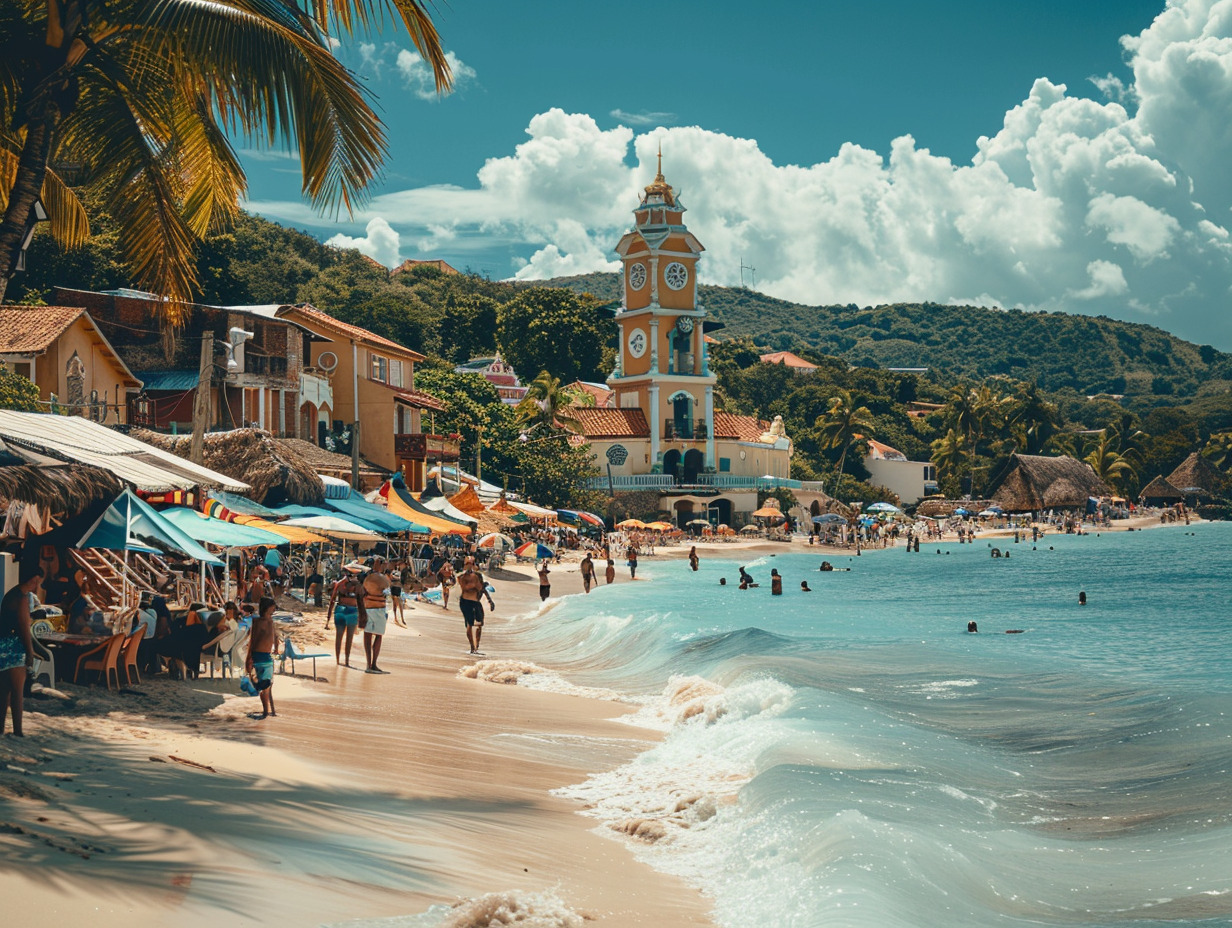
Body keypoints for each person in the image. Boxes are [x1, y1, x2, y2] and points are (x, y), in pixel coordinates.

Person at [1, 565, 42, 736]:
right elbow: (24, 627)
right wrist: (30, 652)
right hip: (14, 646)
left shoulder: (10, 594)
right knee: (17, 692)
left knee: (3, 692)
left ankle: (1, 729)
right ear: (34, 580)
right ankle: (18, 730)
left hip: (2, 643)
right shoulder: (23, 598)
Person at [326, 561, 367, 667]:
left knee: (338, 637)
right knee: (349, 638)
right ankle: (347, 661)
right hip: (352, 611)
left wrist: (328, 619)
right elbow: (361, 603)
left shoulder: (339, 584)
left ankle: (338, 660)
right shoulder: (358, 586)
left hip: (339, 610)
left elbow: (332, 600)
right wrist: (363, 617)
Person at [246, 596, 278, 719]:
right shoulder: (258, 622)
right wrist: (249, 658)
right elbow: (252, 640)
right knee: (264, 686)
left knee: (267, 686)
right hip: (258, 656)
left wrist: (276, 647)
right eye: (272, 606)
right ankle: (266, 712)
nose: (274, 608)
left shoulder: (271, 622)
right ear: (267, 608)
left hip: (267, 657)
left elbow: (274, 636)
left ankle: (268, 710)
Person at [458, 556, 495, 654]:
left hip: (476, 602)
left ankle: (476, 646)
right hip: (465, 602)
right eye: (467, 564)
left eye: (472, 564)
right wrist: (474, 584)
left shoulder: (478, 576)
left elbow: (482, 589)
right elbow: (465, 588)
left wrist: (490, 601)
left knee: (479, 624)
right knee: (469, 624)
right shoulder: (461, 576)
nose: (470, 566)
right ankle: (472, 648)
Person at [362, 558, 392, 673]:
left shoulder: (367, 578)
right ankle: (373, 664)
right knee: (378, 635)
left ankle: (369, 664)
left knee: (368, 635)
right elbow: (386, 592)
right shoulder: (382, 579)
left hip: (368, 607)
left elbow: (363, 592)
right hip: (379, 609)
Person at [388, 560, 407, 628]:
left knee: (399, 602)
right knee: (395, 604)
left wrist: (394, 577)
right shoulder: (395, 572)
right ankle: (397, 618)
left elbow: (396, 578)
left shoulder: (401, 572)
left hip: (397, 587)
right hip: (394, 587)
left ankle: (401, 618)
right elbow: (392, 578)